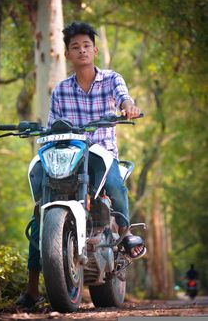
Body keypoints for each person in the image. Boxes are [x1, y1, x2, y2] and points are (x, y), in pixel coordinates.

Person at [16, 21, 146, 308]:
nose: (82, 50)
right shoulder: (61, 91)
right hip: (70, 154)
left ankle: (124, 236)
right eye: (75, 47)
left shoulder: (112, 79)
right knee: (40, 210)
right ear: (67, 55)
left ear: (95, 50)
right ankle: (33, 289)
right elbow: (53, 128)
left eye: (86, 45)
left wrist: (128, 107)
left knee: (115, 185)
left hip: (101, 152)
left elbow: (125, 97)